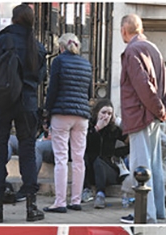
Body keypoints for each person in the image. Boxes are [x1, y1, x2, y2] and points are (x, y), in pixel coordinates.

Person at [0, 4, 47, 223]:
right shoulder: (37, 46)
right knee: (28, 153)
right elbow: (40, 78)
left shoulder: (4, 40)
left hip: (2, 103)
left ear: (13, 19)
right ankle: (31, 208)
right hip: (27, 104)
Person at [118, 13, 166, 224]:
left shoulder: (132, 51)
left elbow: (143, 87)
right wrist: (164, 109)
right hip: (153, 117)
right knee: (155, 166)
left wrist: (160, 109)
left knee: (141, 166)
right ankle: (157, 211)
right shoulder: (154, 49)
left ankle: (146, 215)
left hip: (140, 116)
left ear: (125, 30)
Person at [42, 33, 92, 214]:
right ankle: (76, 200)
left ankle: (60, 202)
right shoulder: (86, 64)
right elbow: (89, 92)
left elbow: (52, 89)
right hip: (82, 115)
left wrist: (46, 113)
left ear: (61, 47)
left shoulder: (59, 62)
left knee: (61, 158)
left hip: (61, 114)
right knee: (79, 158)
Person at [85, 99, 129, 209]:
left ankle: (100, 194)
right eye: (103, 112)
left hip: (108, 170)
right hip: (90, 171)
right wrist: (97, 129)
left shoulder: (113, 129)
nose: (106, 116)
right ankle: (86, 189)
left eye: (109, 113)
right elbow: (82, 145)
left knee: (99, 162)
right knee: (88, 159)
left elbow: (131, 143)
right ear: (96, 113)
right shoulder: (89, 127)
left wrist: (116, 153)